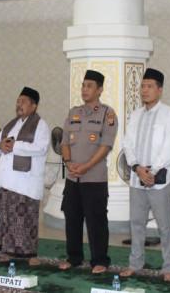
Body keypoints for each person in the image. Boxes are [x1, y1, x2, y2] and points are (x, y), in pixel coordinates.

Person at [119, 68, 170, 282]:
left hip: (159, 180)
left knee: (164, 226)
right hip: (137, 178)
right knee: (136, 223)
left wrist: (151, 172)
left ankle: (169, 266)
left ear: (159, 90)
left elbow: (169, 147)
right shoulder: (135, 115)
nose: (144, 90)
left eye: (149, 86)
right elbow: (127, 144)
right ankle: (135, 264)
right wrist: (137, 168)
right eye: (143, 86)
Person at [58, 70, 118, 274]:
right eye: (83, 85)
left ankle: (100, 260)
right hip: (73, 177)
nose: (85, 89)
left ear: (99, 90)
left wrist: (86, 166)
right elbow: (64, 142)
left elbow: (106, 145)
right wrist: (68, 162)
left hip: (94, 178)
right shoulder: (73, 112)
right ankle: (74, 257)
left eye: (89, 86)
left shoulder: (107, 114)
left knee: (96, 220)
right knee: (72, 218)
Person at [0, 87, 50, 265]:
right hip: (7, 181)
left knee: (23, 219)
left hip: (25, 183)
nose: (19, 104)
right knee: (7, 218)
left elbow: (41, 148)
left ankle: (28, 254)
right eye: (18, 101)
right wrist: (1, 146)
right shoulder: (11, 125)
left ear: (34, 106)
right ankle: (7, 252)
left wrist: (15, 145)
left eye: (23, 101)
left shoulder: (41, 125)